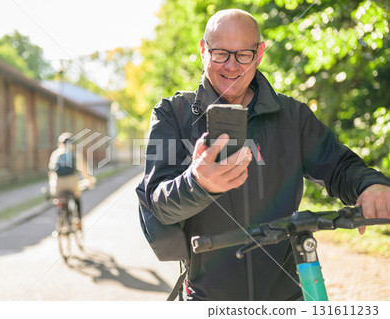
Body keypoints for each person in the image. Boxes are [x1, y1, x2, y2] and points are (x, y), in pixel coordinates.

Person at [137, 9, 390, 301]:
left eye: (243, 55)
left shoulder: (292, 115)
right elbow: (159, 203)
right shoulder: (171, 115)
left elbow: (340, 166)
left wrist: (370, 184)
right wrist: (197, 183)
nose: (231, 66)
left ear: (259, 54)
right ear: (204, 50)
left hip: (289, 297)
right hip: (207, 300)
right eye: (220, 53)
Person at [48, 132, 95, 230]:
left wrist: (53, 186)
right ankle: (78, 220)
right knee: (77, 198)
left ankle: (60, 223)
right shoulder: (74, 154)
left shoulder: (56, 154)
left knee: (59, 201)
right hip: (72, 183)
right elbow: (84, 170)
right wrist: (89, 180)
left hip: (58, 184)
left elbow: (51, 171)